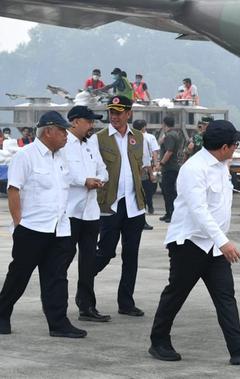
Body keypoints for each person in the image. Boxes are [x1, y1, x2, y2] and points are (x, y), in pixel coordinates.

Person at [149, 120, 240, 364]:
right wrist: (224, 241)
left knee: (225, 295)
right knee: (177, 293)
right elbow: (199, 210)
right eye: (235, 144)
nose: (236, 148)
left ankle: (238, 347)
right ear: (224, 146)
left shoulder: (221, 165)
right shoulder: (194, 169)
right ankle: (159, 340)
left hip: (213, 246)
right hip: (190, 243)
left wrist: (219, 241)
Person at [0, 111, 87, 338]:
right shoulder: (25, 156)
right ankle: (1, 313)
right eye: (62, 131)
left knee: (57, 278)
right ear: (48, 131)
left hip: (59, 228)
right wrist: (19, 224)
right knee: (19, 276)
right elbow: (13, 190)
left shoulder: (60, 158)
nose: (66, 135)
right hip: (32, 229)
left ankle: (58, 323)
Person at [93, 95, 151, 318]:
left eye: (119, 112)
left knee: (131, 255)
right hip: (110, 205)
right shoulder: (99, 139)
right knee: (105, 252)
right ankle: (84, 292)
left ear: (129, 114)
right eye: (112, 112)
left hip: (134, 205)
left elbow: (142, 167)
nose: (114, 117)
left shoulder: (138, 137)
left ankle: (126, 302)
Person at [63, 106, 110, 322]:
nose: (92, 125)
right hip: (70, 212)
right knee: (62, 260)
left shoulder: (91, 144)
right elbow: (63, 173)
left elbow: (103, 169)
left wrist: (100, 179)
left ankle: (87, 306)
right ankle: (57, 306)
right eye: (88, 121)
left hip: (91, 212)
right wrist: (84, 181)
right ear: (74, 122)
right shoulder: (63, 144)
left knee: (88, 261)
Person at [132, 120, 160, 229]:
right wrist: (153, 169)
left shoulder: (129, 136)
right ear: (144, 127)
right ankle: (142, 220)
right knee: (145, 194)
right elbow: (151, 154)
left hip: (132, 170)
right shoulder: (146, 137)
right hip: (143, 170)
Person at [158, 116, 184, 223]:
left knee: (169, 192)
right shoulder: (174, 134)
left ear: (164, 124)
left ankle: (171, 213)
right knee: (167, 191)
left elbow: (169, 151)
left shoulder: (170, 136)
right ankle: (168, 212)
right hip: (172, 167)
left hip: (170, 168)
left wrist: (161, 163)